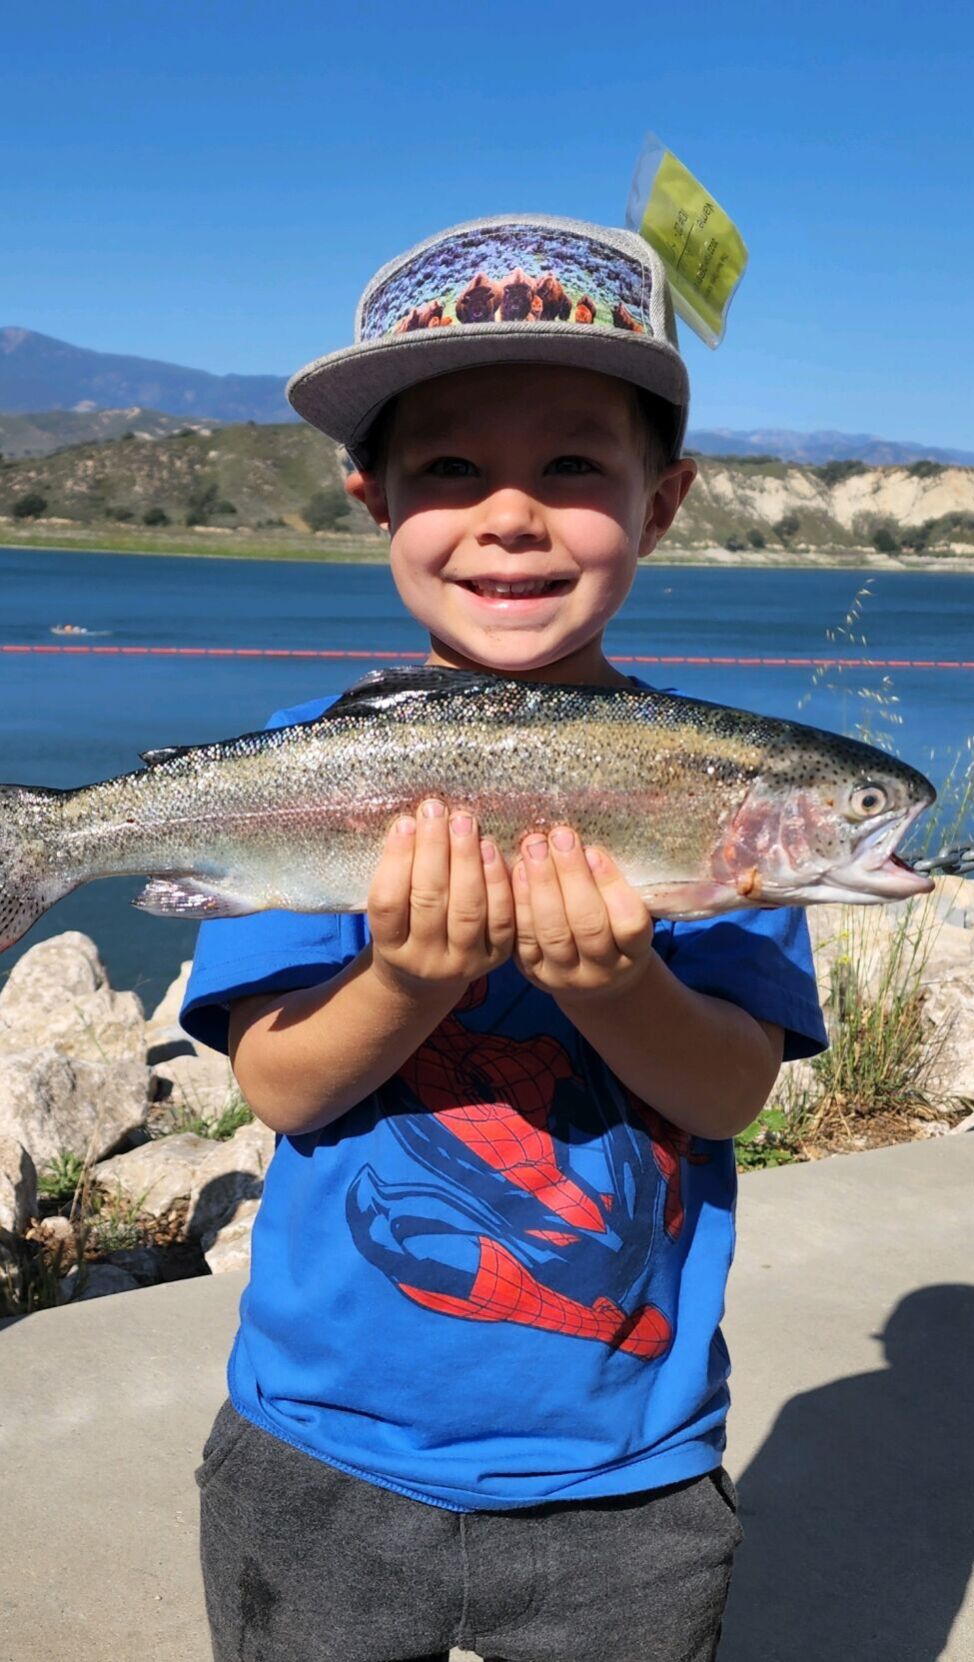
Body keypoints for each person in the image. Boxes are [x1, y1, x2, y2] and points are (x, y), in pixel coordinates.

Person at [182, 213, 829, 1662]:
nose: (511, 515)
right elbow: (280, 1087)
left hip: (628, 1463)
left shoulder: (724, 796)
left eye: (573, 466)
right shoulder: (302, 770)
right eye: (452, 469)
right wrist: (408, 974)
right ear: (372, 498)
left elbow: (728, 1093)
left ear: (661, 504)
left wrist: (614, 981)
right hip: (317, 1443)